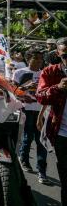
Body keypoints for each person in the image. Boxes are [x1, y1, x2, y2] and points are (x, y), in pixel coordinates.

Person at [13, 49, 48, 184]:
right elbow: (13, 92)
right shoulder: (19, 72)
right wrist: (24, 87)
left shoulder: (44, 73)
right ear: (28, 59)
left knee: (41, 141)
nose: (39, 61)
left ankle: (42, 170)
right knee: (27, 137)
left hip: (40, 111)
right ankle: (24, 160)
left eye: (41, 59)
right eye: (36, 58)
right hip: (25, 109)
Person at [36, 49, 67, 204]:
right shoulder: (50, 72)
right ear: (58, 54)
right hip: (62, 133)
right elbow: (40, 96)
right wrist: (58, 87)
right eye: (66, 56)